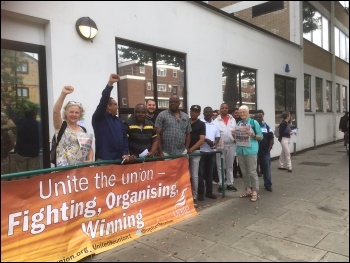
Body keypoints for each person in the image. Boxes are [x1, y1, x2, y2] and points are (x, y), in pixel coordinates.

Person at [92, 73, 132, 164]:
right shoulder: (99, 118)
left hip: (119, 161)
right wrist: (110, 84)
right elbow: (103, 101)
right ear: (108, 106)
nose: (117, 107)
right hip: (104, 162)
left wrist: (126, 153)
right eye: (115, 105)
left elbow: (124, 139)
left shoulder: (119, 121)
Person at [53, 86, 94, 166]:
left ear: (80, 115)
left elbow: (88, 147)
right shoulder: (61, 127)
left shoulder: (83, 130)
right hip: (63, 171)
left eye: (76, 112)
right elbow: (56, 111)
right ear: (66, 113)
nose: (74, 115)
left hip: (80, 171)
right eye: (71, 112)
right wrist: (63, 94)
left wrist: (90, 158)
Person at [234, 105, 263, 202]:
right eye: (240, 112)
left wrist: (253, 135)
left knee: (252, 171)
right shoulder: (239, 123)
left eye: (244, 112)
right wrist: (234, 134)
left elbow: (260, 137)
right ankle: (248, 190)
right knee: (244, 172)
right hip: (240, 150)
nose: (242, 114)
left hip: (251, 150)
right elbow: (237, 137)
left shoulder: (254, 122)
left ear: (248, 113)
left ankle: (255, 191)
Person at [6, 101, 41, 172]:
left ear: (25, 115)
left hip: (21, 153)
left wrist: (8, 106)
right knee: (33, 175)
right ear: (34, 115)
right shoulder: (38, 125)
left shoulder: (20, 122)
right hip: (34, 153)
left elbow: (13, 115)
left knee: (21, 174)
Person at [214, 103, 237, 193]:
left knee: (230, 166)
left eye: (226, 108)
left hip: (231, 144)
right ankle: (221, 184)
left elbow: (235, 131)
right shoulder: (216, 121)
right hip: (220, 146)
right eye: (223, 108)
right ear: (220, 109)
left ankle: (230, 183)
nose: (224, 109)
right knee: (220, 166)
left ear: (228, 109)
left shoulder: (233, 119)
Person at [198, 106, 220, 201]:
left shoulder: (215, 124)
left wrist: (215, 142)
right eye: (206, 112)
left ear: (212, 113)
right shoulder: (200, 123)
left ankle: (209, 192)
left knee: (210, 173)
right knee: (200, 174)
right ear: (203, 113)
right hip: (201, 151)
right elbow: (198, 136)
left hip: (211, 151)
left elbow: (218, 136)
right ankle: (201, 193)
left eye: (210, 112)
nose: (208, 113)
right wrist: (206, 140)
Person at [187, 105, 206, 205]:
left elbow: (202, 139)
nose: (193, 113)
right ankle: (186, 194)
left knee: (194, 175)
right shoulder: (185, 121)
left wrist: (191, 149)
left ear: (199, 113)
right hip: (184, 152)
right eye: (192, 111)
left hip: (195, 152)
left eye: (196, 111)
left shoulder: (201, 124)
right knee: (185, 175)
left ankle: (194, 196)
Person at [255, 112, 274, 192]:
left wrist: (269, 149)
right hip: (254, 152)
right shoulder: (252, 127)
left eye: (260, 117)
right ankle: (253, 186)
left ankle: (268, 184)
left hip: (265, 152)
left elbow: (271, 139)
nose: (259, 119)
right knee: (253, 170)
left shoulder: (267, 127)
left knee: (266, 169)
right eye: (257, 117)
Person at [232, 107, 242, 179]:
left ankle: (241, 173)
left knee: (240, 159)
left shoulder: (241, 121)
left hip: (240, 142)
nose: (237, 114)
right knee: (234, 159)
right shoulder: (231, 121)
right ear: (232, 113)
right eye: (236, 113)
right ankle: (234, 173)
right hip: (232, 142)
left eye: (238, 113)